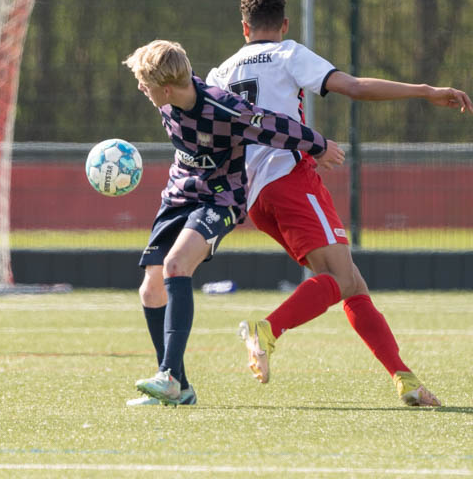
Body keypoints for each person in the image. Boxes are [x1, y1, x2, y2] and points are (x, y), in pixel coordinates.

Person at [207, 0, 471, 407]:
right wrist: (424, 90)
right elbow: (355, 86)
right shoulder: (287, 52)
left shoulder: (220, 73)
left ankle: (405, 379)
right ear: (285, 24)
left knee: (351, 283)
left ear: (244, 28)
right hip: (291, 178)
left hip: (255, 197)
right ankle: (267, 330)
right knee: (342, 279)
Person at [123, 39, 343, 406]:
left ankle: (167, 376)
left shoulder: (223, 108)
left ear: (164, 88)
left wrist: (318, 145)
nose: (140, 90)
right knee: (150, 290)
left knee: (176, 266)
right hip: (179, 195)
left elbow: (275, 125)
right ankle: (180, 387)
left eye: (145, 85)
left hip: (220, 197)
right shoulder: (168, 97)